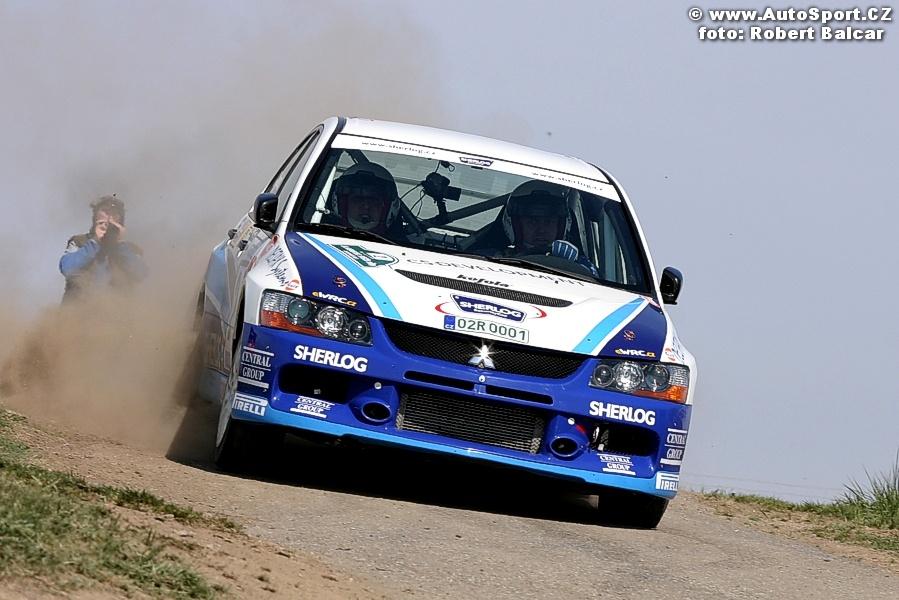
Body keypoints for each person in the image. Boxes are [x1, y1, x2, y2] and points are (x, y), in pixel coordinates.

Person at [59, 195, 148, 303]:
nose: (108, 218)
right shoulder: (79, 242)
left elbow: (141, 273)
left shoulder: (130, 249)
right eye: (105, 211)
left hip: (116, 310)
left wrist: (120, 244)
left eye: (114, 213)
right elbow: (67, 268)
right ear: (95, 218)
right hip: (79, 308)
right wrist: (95, 242)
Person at [500, 180, 599, 276]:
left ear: (562, 226)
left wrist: (572, 265)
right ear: (515, 225)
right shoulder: (496, 259)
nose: (541, 230)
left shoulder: (579, 263)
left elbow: (594, 279)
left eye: (548, 222)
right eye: (532, 222)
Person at [329, 162, 402, 236]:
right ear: (344, 204)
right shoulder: (324, 234)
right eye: (358, 199)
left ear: (387, 207)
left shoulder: (404, 242)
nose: (366, 206)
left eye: (373, 200)